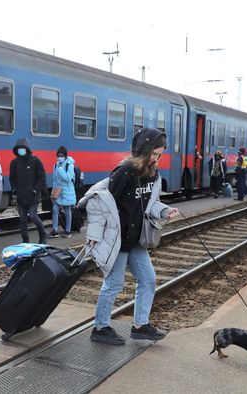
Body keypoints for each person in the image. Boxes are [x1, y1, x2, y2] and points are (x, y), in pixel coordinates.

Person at [84, 127, 179, 346]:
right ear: (142, 150)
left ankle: (140, 326)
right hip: (118, 240)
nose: (155, 159)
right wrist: (95, 236)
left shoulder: (153, 174)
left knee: (148, 279)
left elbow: (150, 204)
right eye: (153, 154)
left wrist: (164, 211)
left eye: (159, 155)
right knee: (114, 284)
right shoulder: (124, 172)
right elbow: (101, 206)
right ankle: (100, 328)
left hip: (135, 239)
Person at [9, 138, 47, 244]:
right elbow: (12, 179)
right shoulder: (14, 163)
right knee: (22, 220)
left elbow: (42, 178)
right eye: (19, 148)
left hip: (33, 196)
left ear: (27, 149)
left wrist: (35, 190)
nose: (21, 150)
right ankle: (25, 240)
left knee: (33, 215)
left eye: (23, 148)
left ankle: (43, 234)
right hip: (21, 196)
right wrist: (14, 190)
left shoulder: (35, 161)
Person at [50, 146, 76, 238]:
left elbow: (68, 178)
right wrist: (53, 192)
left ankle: (68, 231)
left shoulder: (69, 165)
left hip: (67, 191)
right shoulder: (56, 165)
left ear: (65, 156)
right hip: (58, 191)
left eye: (61, 155)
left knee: (67, 211)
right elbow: (54, 180)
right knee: (54, 209)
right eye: (58, 156)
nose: (59, 157)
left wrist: (61, 170)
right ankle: (55, 230)